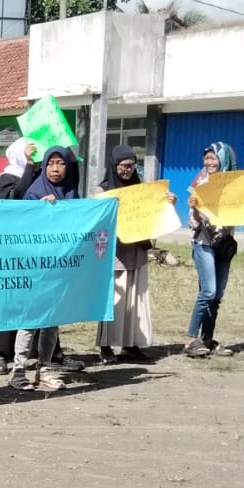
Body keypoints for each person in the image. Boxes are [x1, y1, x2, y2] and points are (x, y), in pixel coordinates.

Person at [9, 147, 81, 392]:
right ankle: (18, 370)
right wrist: (39, 208)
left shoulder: (71, 192)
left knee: (51, 321)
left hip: (60, 266)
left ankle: (45, 369)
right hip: (35, 266)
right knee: (30, 318)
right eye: (51, 164)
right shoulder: (34, 192)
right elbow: (20, 224)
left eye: (61, 164)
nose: (55, 169)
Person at [95, 145, 167, 364]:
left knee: (135, 299)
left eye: (131, 165)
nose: (127, 170)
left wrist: (165, 202)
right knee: (114, 300)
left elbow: (153, 214)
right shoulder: (104, 191)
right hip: (115, 253)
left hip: (136, 250)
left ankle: (131, 345)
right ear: (114, 165)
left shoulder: (140, 189)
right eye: (122, 166)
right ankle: (106, 346)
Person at [185, 142, 242, 358]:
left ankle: (207, 339)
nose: (208, 162)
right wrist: (197, 210)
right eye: (206, 157)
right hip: (203, 242)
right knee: (207, 291)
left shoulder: (235, 184)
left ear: (224, 160)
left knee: (217, 295)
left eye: (213, 158)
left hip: (224, 244)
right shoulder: (200, 182)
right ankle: (191, 339)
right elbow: (193, 221)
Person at [0, 140, 34, 375]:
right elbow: (17, 200)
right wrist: (28, 166)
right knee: (8, 301)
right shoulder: (6, 179)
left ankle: (32, 352)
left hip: (32, 251)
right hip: (8, 252)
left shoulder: (36, 175)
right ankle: (1, 354)